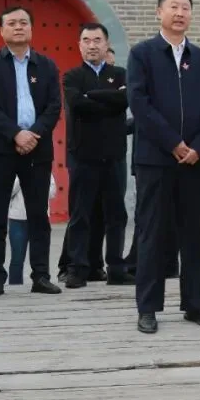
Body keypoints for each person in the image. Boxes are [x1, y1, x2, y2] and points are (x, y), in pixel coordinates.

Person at [127, 0, 200, 334]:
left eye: (185, 8)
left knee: (193, 235)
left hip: (193, 162)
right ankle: (148, 308)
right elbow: (140, 104)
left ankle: (196, 305)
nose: (180, 13)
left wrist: (198, 147)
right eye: (173, 7)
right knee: (152, 234)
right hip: (155, 160)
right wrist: (173, 143)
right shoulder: (143, 54)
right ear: (159, 12)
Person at [0, 5, 62, 298]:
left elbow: (54, 106)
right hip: (0, 148)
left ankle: (41, 275)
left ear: (31, 28)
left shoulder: (46, 65)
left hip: (38, 148)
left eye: (24, 22)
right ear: (1, 30)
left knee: (38, 215)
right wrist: (15, 133)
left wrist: (33, 133)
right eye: (11, 23)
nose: (18, 27)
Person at [61, 23, 130, 287]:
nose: (92, 45)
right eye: (87, 40)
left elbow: (125, 101)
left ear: (106, 43)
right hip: (83, 156)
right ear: (79, 45)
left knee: (116, 215)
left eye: (97, 40)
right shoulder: (72, 76)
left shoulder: (120, 74)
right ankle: (78, 268)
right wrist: (110, 100)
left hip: (114, 156)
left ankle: (116, 268)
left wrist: (93, 96)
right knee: (81, 215)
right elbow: (77, 104)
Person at [9, 171, 57, 286]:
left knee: (41, 256)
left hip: (39, 218)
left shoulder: (43, 169)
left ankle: (42, 281)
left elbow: (52, 192)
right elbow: (8, 191)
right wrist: (21, 177)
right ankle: (15, 286)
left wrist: (38, 183)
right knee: (17, 258)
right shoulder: (13, 170)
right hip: (18, 218)